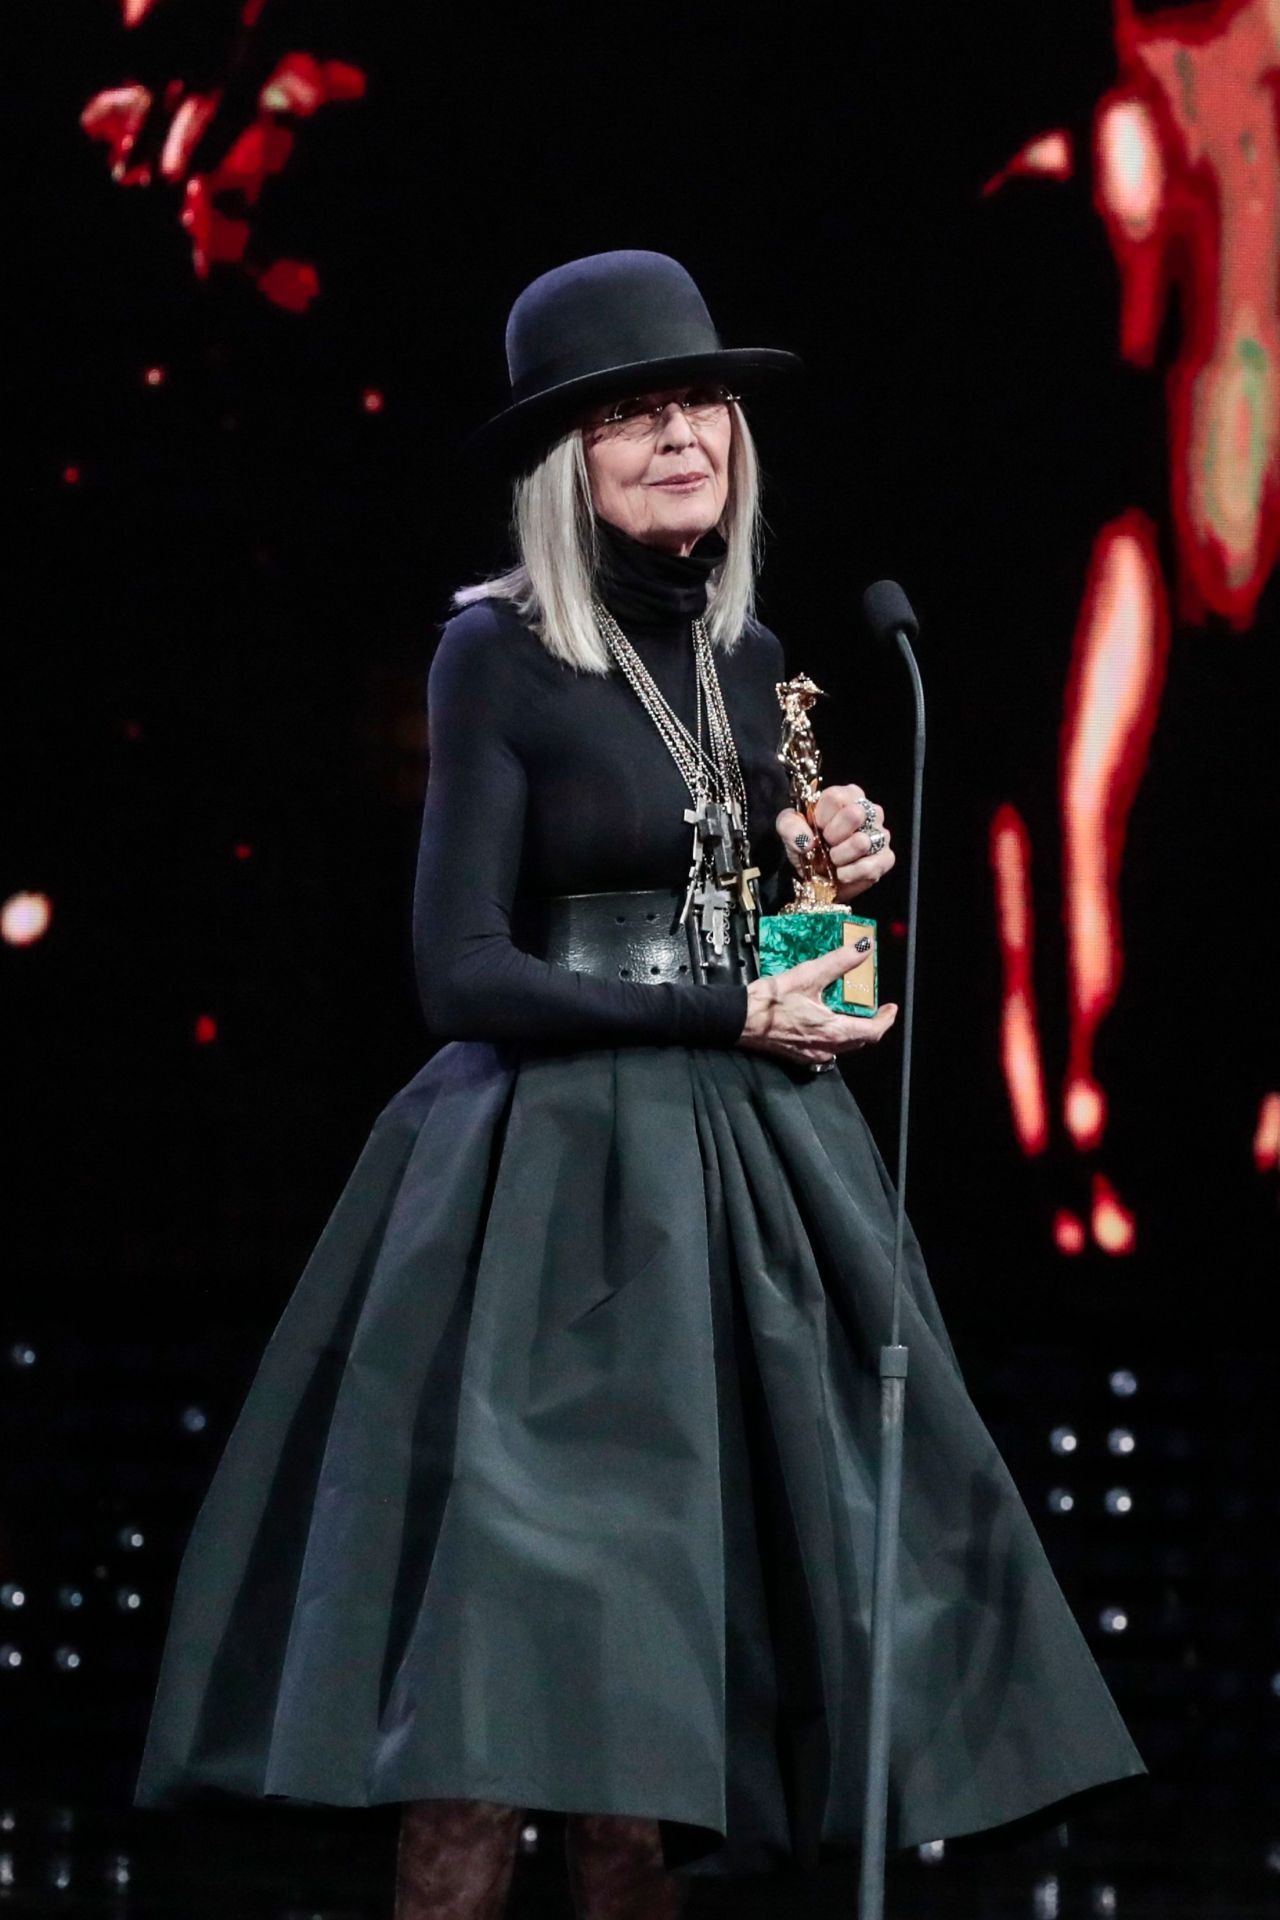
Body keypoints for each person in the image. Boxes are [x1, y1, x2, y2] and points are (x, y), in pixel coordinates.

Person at [133, 251, 1144, 1918]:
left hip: (748, 1193)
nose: (682, 437)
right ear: (566, 464)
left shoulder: (766, 663)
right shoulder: (500, 656)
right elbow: (459, 971)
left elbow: (762, 935)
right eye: (631, 415)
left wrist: (835, 881)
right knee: (497, 1716)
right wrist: (721, 1007)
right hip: (549, 1203)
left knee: (658, 1755)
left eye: (700, 405)